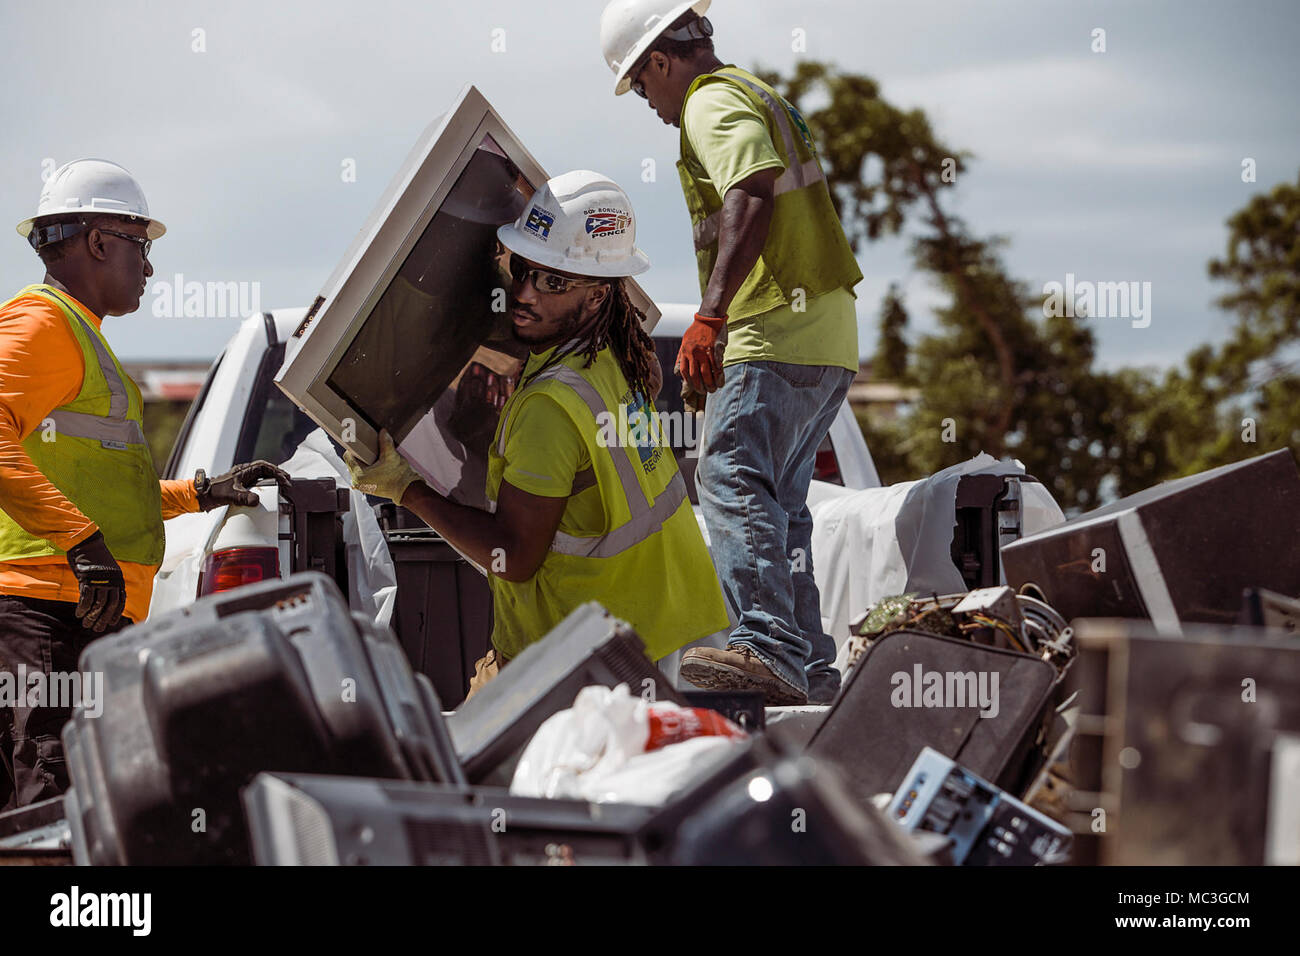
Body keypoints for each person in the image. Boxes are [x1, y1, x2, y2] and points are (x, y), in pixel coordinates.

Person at [347, 170, 728, 695]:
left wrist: (405, 490)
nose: (523, 293)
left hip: (586, 666)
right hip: (653, 636)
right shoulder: (616, 353)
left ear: (596, 298)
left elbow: (515, 557)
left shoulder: (549, 407)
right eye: (522, 269)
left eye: (553, 281)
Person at [0, 159, 289, 808]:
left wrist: (197, 494)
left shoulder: (77, 336)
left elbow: (95, 488)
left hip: (71, 607)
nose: (151, 269)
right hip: (46, 609)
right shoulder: (43, 325)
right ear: (100, 242)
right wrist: (80, 541)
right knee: (51, 807)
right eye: (142, 245)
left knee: (74, 806)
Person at [601, 1, 865, 704]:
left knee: (726, 478)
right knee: (781, 506)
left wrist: (711, 317)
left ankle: (771, 649)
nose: (648, 103)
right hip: (826, 333)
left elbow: (752, 189)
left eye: (640, 85)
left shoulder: (709, 104)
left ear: (660, 61)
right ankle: (808, 667)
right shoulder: (755, 90)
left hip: (774, 325)